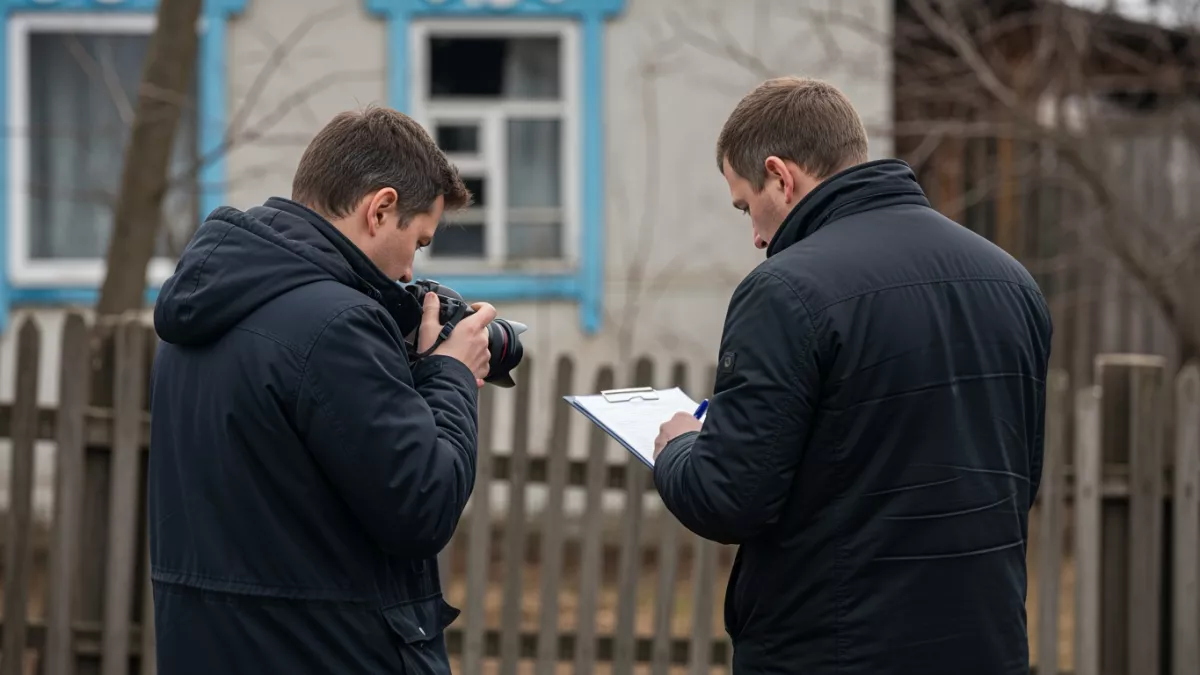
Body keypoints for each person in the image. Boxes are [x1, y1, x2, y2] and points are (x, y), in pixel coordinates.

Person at [652, 77, 1052, 674]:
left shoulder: (785, 289)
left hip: (834, 649)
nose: (758, 236)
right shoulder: (1011, 281)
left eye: (747, 207)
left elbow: (728, 499)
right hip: (986, 644)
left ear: (780, 177)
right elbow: (1017, 477)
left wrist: (678, 445)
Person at [147, 105, 493, 675]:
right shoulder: (336, 326)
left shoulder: (199, 313)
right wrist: (451, 374)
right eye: (421, 242)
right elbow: (423, 507)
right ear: (380, 210)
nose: (412, 273)